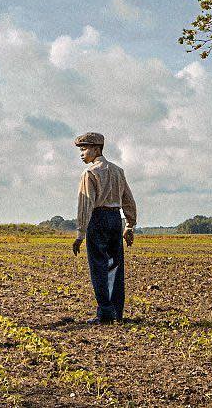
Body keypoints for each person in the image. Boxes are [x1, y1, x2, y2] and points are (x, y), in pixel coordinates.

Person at [72, 132, 137, 325]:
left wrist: (80, 233)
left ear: (96, 149)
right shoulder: (118, 171)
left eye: (84, 149)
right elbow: (129, 200)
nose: (82, 153)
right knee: (115, 265)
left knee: (99, 266)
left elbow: (86, 204)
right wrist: (130, 225)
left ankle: (105, 313)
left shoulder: (90, 173)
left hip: (98, 219)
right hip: (115, 219)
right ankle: (117, 311)